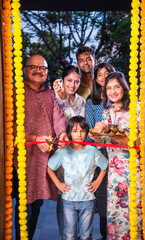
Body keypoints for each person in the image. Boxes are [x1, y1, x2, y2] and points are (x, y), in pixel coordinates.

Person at [13, 55, 68, 240]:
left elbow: (58, 117)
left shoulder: (49, 94)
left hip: (45, 158)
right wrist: (34, 138)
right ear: (25, 70)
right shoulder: (15, 92)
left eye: (43, 68)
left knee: (37, 202)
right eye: (34, 67)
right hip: (24, 158)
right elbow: (9, 124)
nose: (38, 70)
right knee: (25, 203)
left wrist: (62, 134)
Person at [89, 72, 143, 239]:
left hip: (132, 172)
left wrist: (110, 133)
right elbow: (104, 142)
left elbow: (138, 141)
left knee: (133, 212)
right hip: (114, 174)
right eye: (109, 88)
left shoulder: (136, 108)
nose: (113, 91)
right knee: (116, 215)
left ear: (124, 88)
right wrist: (96, 136)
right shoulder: (107, 112)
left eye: (116, 87)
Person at [47, 116, 108, 240]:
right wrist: (58, 184)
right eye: (75, 131)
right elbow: (50, 168)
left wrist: (97, 181)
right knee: (69, 234)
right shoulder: (63, 151)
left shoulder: (92, 151)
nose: (79, 134)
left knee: (86, 235)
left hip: (88, 200)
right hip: (69, 200)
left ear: (86, 132)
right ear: (69, 133)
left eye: (82, 131)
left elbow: (105, 166)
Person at [53, 65, 86, 239]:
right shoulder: (56, 98)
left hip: (80, 154)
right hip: (63, 154)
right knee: (63, 195)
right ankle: (64, 235)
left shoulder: (81, 101)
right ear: (62, 80)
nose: (72, 85)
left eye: (76, 81)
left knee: (80, 195)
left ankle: (79, 233)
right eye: (69, 81)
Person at [85, 62, 115, 240]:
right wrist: (95, 136)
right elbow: (89, 132)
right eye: (100, 75)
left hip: (122, 156)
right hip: (101, 155)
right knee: (103, 200)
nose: (103, 77)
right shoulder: (92, 103)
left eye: (107, 73)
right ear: (96, 79)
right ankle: (105, 235)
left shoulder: (122, 101)